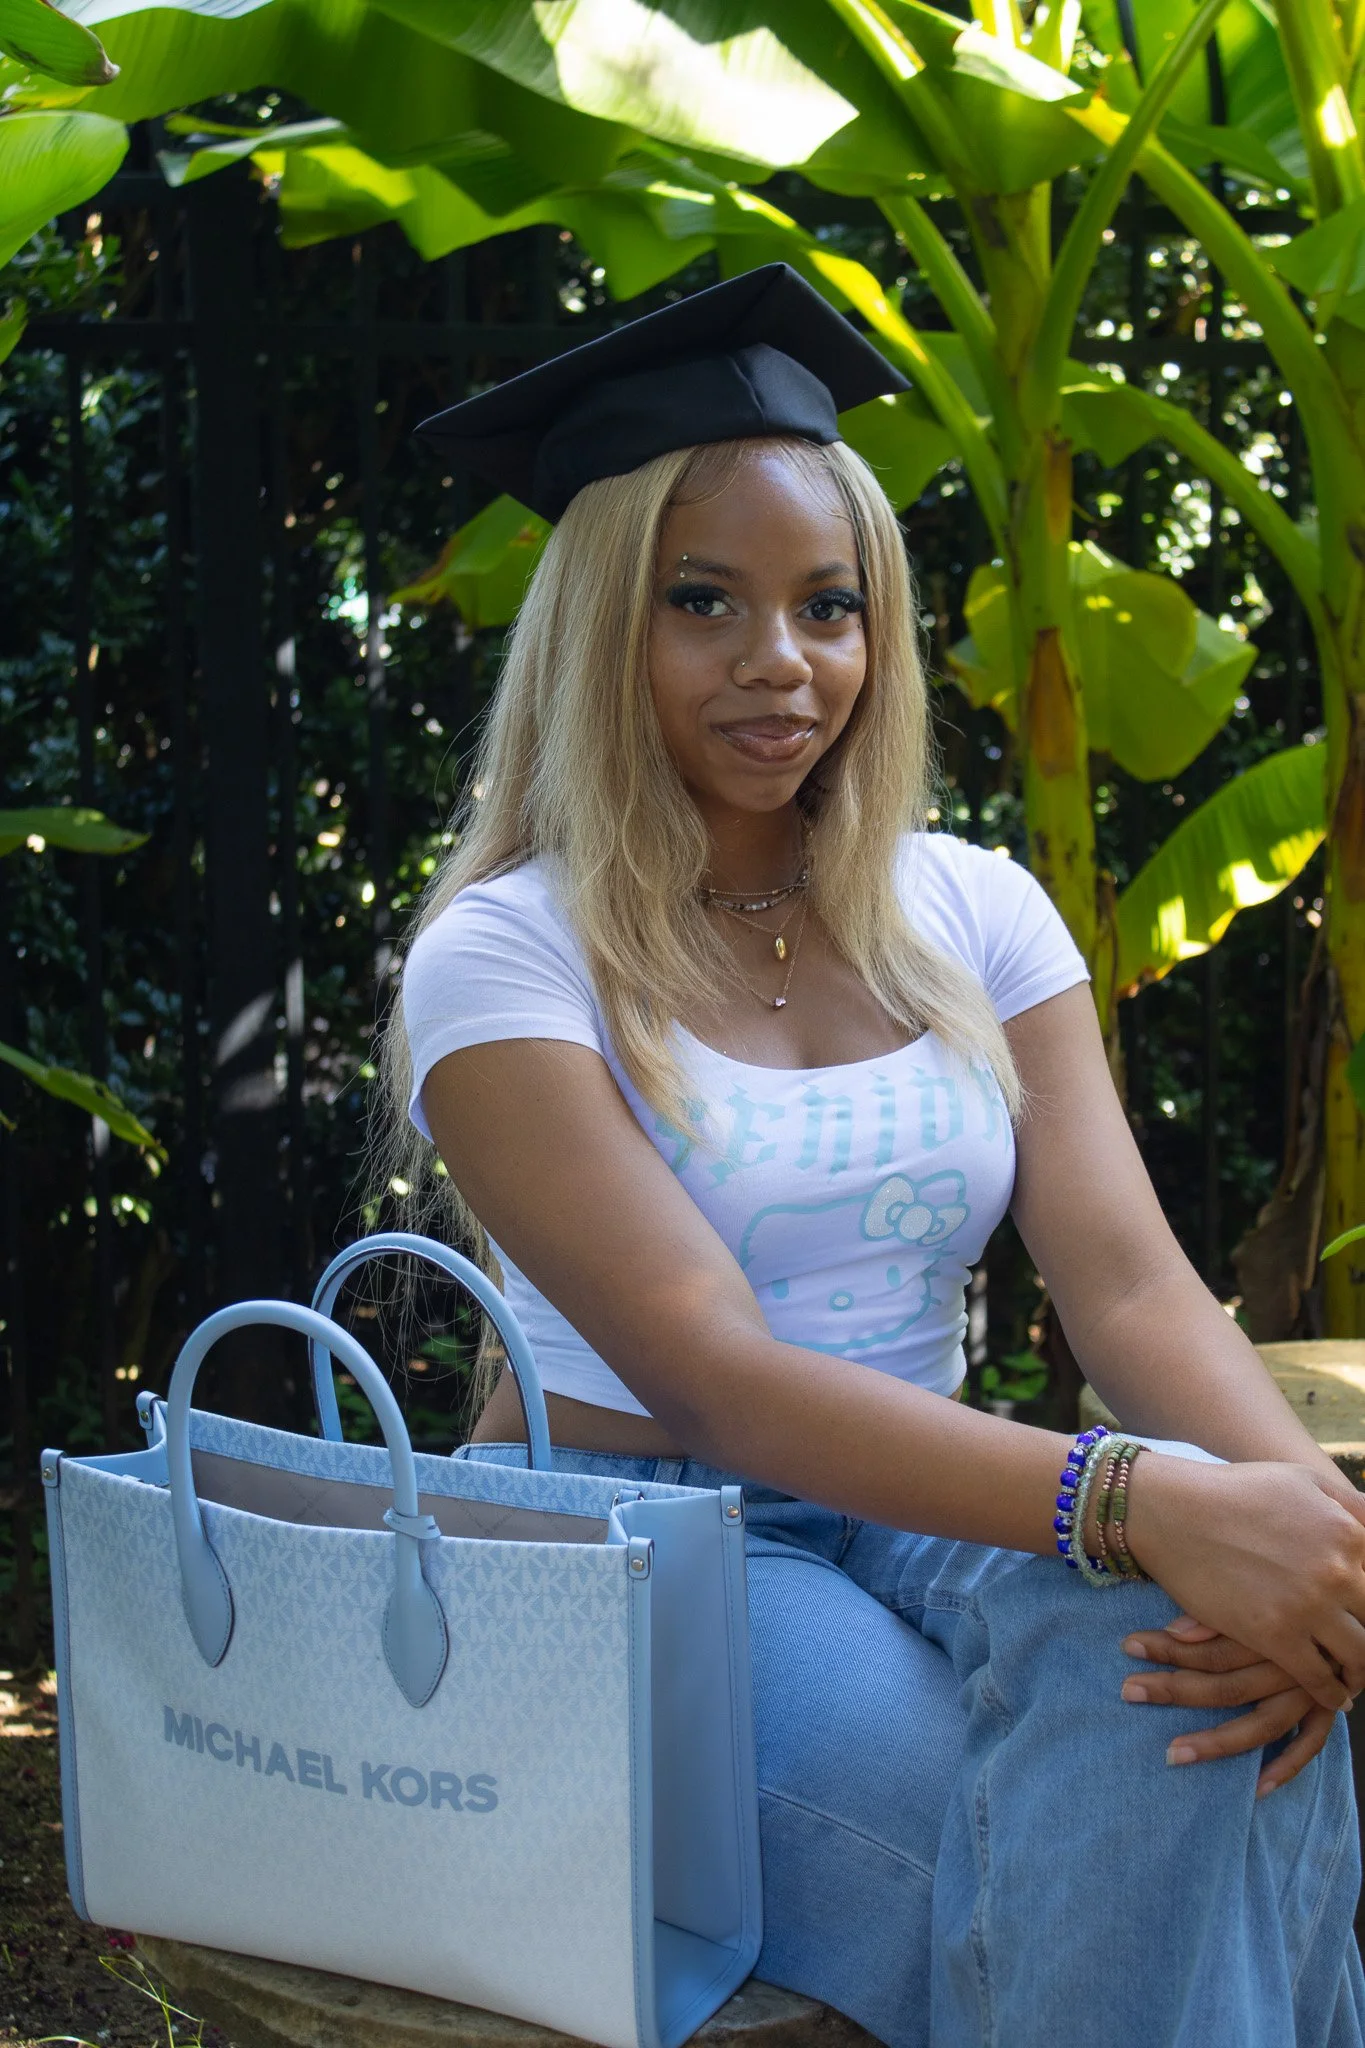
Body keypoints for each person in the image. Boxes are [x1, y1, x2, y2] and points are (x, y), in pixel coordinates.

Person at [379, 265, 1365, 2046]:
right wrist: (1143, 1502)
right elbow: (721, 1381)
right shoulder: (507, 961)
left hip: (932, 1512)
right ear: (608, 623)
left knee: (1228, 1691)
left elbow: (1133, 1287)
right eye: (706, 604)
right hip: (640, 1545)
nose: (783, 661)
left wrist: (1298, 1534)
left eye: (828, 607)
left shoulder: (971, 912)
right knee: (1139, 1810)